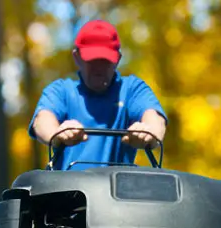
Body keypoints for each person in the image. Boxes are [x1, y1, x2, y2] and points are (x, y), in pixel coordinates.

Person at [29, 19, 168, 170]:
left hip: (117, 191)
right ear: (77, 57)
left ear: (117, 60)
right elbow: (42, 120)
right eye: (93, 60)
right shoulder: (61, 91)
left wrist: (148, 133)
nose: (99, 68)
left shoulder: (132, 90)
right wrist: (56, 134)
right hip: (66, 190)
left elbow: (155, 121)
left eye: (105, 61)